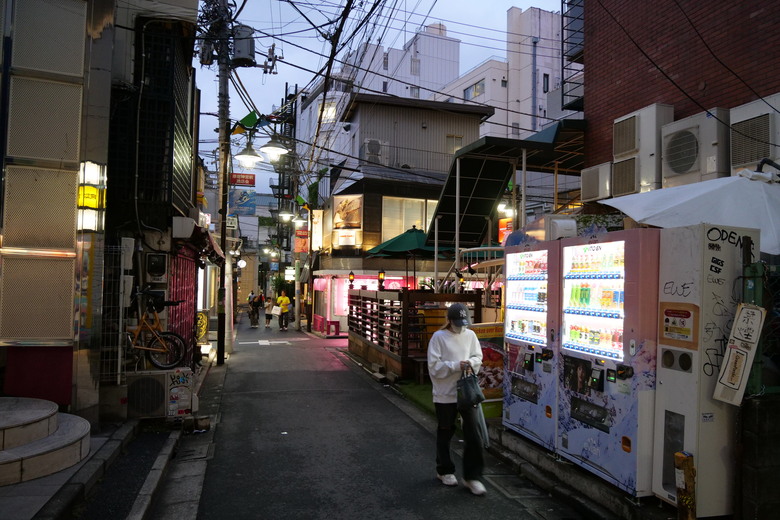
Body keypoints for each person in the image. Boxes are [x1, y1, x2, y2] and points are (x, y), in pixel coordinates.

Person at [427, 303, 486, 496]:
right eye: (457, 322)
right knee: (445, 431)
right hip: (445, 393)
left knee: (473, 433)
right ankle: (444, 469)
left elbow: (478, 357)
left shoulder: (470, 335)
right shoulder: (438, 337)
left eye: (463, 322)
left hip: (466, 392)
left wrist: (470, 363)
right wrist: (456, 365)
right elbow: (434, 367)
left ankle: (472, 476)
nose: (461, 327)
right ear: (449, 320)